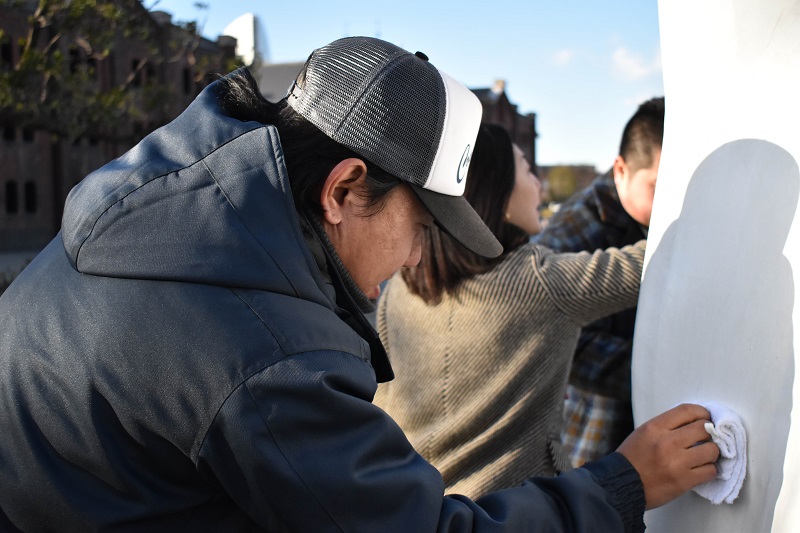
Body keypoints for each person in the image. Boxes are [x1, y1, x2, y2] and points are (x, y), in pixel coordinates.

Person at [0, 38, 716, 531]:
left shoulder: (155, 209)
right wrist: (623, 483)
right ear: (343, 190)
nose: (414, 256)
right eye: (421, 224)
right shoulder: (267, 354)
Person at [374, 123, 642, 498]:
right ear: (497, 190)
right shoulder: (541, 282)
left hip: (408, 502)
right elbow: (655, 262)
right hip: (516, 511)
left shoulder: (401, 284)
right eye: (528, 170)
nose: (539, 185)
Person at [533, 97, 665, 468]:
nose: (672, 200)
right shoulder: (570, 235)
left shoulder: (661, 216)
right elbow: (552, 340)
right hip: (595, 442)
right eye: (658, 186)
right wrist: (665, 366)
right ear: (621, 169)